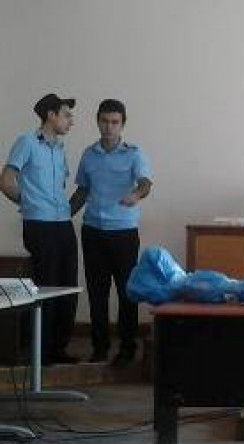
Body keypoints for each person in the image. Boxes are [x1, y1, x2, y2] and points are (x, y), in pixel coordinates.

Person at [70, 99, 153, 365]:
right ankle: (100, 347)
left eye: (114, 122)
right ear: (97, 121)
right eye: (104, 121)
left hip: (123, 232)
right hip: (93, 231)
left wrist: (136, 195)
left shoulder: (134, 154)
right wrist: (61, 215)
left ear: (122, 124)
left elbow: (145, 183)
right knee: (97, 292)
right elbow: (82, 191)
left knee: (127, 291)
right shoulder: (88, 154)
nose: (109, 127)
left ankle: (127, 348)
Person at [0, 93, 79, 365]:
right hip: (39, 225)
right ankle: (39, 352)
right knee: (46, 286)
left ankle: (58, 348)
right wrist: (29, 203)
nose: (70, 121)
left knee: (67, 285)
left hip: (63, 223)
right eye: (66, 115)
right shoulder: (27, 142)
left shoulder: (60, 148)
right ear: (51, 115)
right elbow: (6, 180)